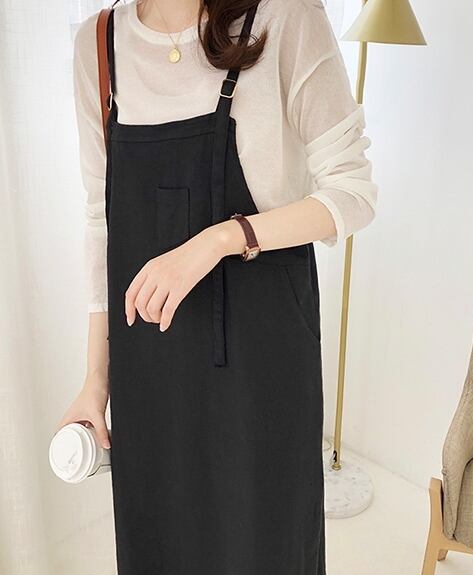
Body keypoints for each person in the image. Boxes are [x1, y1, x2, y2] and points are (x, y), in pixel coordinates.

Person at [57, 0, 378, 573]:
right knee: (159, 544)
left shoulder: (283, 17)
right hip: (149, 366)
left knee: (265, 544)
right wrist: (95, 380)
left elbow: (353, 193)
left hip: (262, 357)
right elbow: (100, 219)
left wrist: (221, 239)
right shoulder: (97, 45)